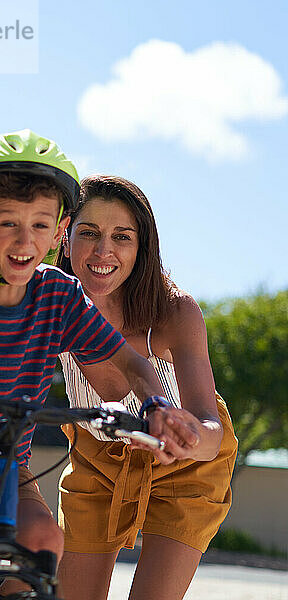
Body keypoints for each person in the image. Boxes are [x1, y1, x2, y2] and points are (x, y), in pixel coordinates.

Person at [0, 132, 196, 600]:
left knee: (45, 539)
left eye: (40, 225)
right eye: (8, 223)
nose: (23, 241)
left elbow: (131, 362)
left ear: (60, 232)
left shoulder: (59, 297)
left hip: (5, 470)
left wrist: (156, 403)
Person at [56, 174, 238, 600]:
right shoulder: (50, 301)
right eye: (88, 233)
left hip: (188, 465)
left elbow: (210, 431)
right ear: (64, 237)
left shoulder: (175, 311)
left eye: (122, 236)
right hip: (97, 457)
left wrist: (184, 439)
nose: (104, 251)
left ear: (142, 247)